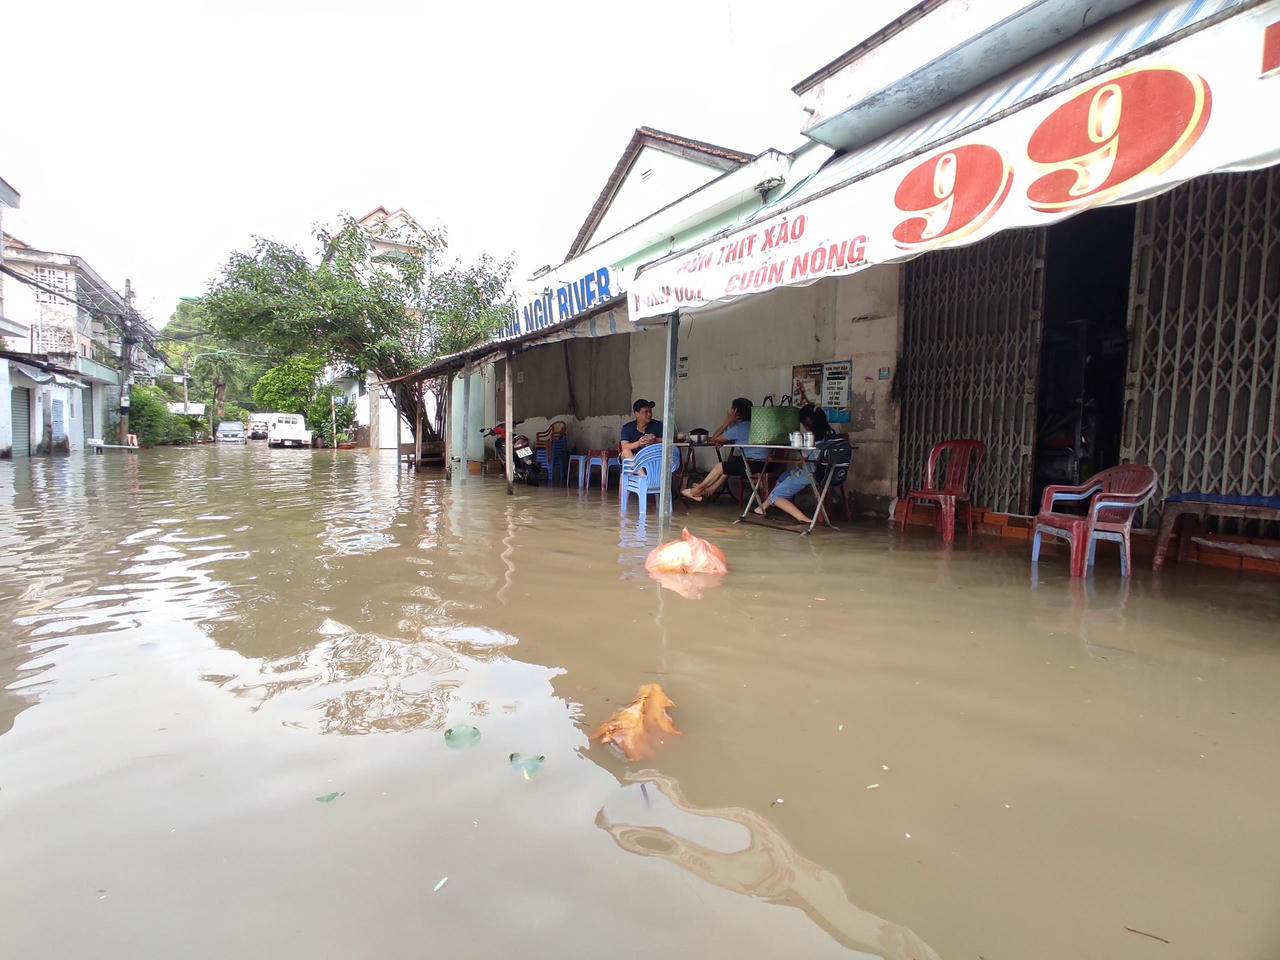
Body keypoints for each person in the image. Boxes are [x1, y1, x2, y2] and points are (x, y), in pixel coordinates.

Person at [754, 404, 832, 525]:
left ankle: (803, 518)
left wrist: (799, 451)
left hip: (810, 474)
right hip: (826, 472)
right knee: (783, 477)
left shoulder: (811, 439)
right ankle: (761, 508)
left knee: (775, 495)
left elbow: (802, 462)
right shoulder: (830, 434)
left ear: (808, 421)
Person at [681, 397, 766, 502]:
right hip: (764, 462)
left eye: (731, 410)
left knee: (720, 466)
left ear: (736, 412)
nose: (729, 412)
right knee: (729, 463)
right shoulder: (753, 425)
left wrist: (727, 422)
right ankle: (710, 490)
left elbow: (714, 438)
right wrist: (725, 440)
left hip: (754, 463)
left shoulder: (739, 428)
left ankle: (697, 490)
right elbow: (741, 438)